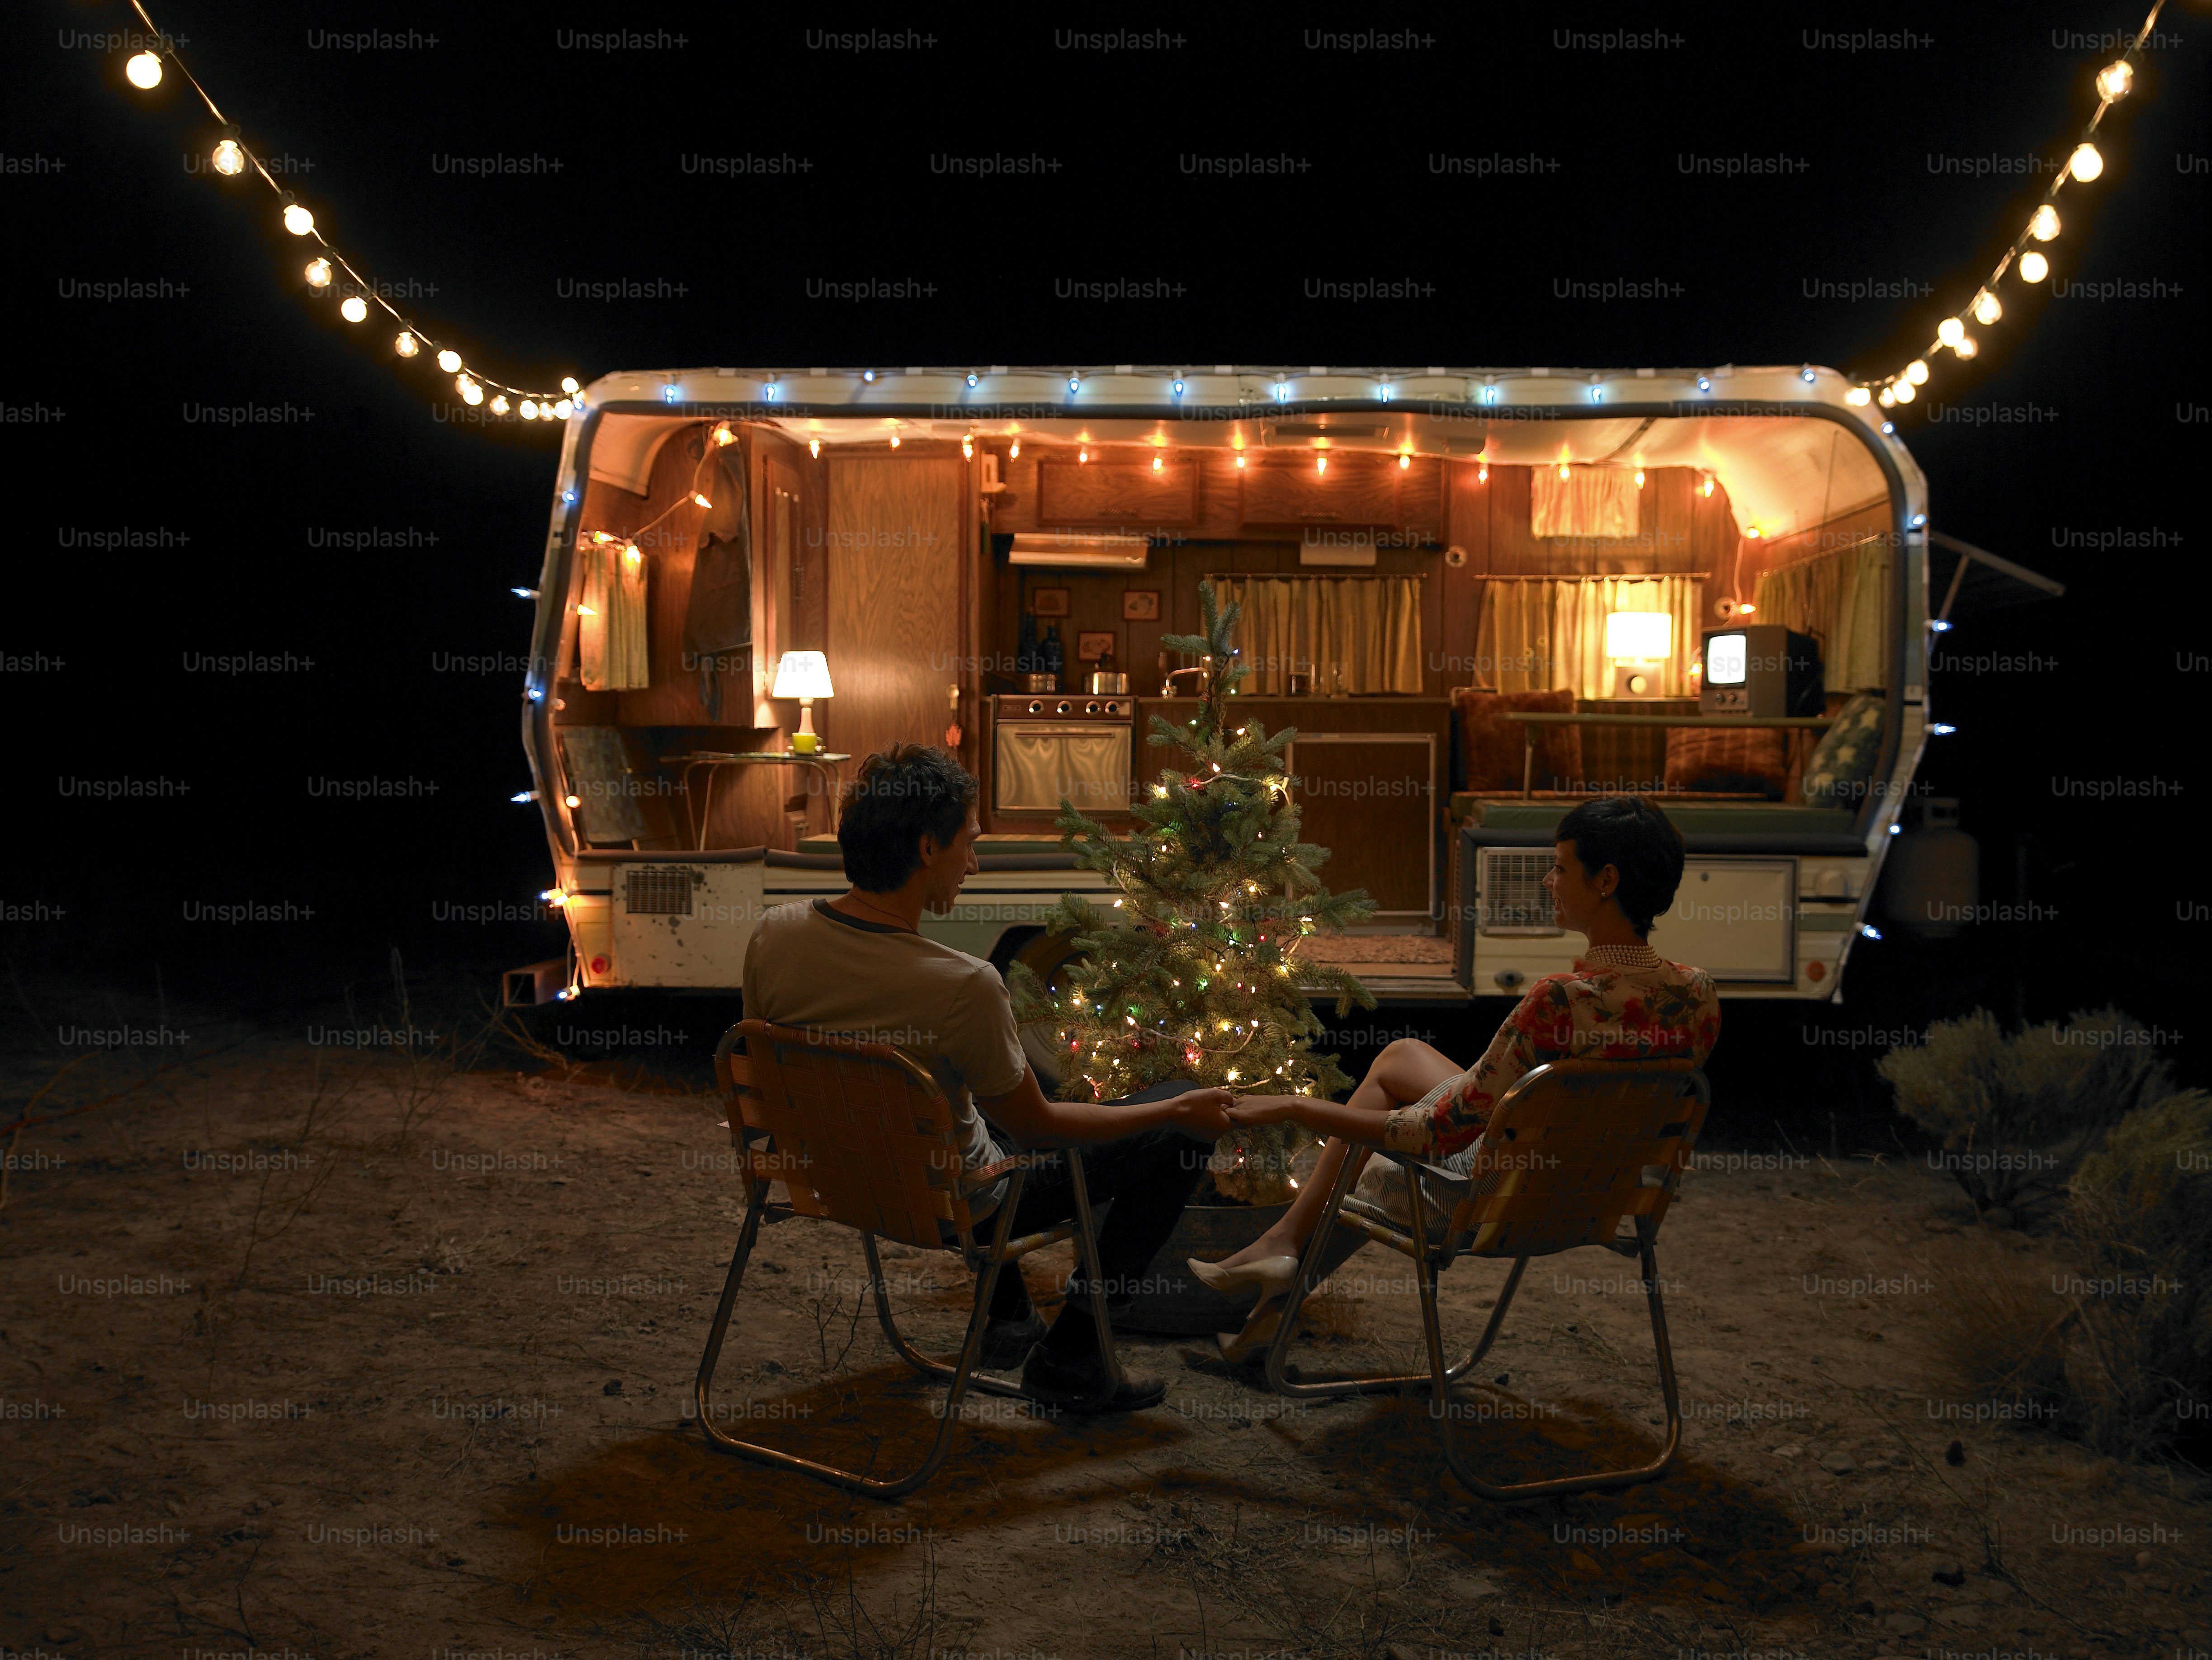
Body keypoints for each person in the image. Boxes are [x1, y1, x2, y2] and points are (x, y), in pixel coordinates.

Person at [742, 743, 1234, 1412]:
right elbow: (1045, 1127)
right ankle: (1075, 1356)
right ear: (925, 849)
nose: (972, 865)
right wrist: (1173, 1113)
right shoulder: (964, 987)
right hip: (956, 1207)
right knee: (1177, 1118)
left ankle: (1009, 1316)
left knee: (975, 1102)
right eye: (968, 846)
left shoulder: (773, 935)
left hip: (831, 1177)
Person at [1191, 794, 1721, 1360]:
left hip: (1503, 1199)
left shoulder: (1561, 1002)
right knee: (1400, 1057)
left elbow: (1435, 1137)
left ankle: (1279, 1257)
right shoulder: (1697, 995)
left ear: (1605, 880)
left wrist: (1295, 1107)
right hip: (1595, 1196)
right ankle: (1275, 1281)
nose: (1548, 880)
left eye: (1561, 868)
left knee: (1368, 1136)